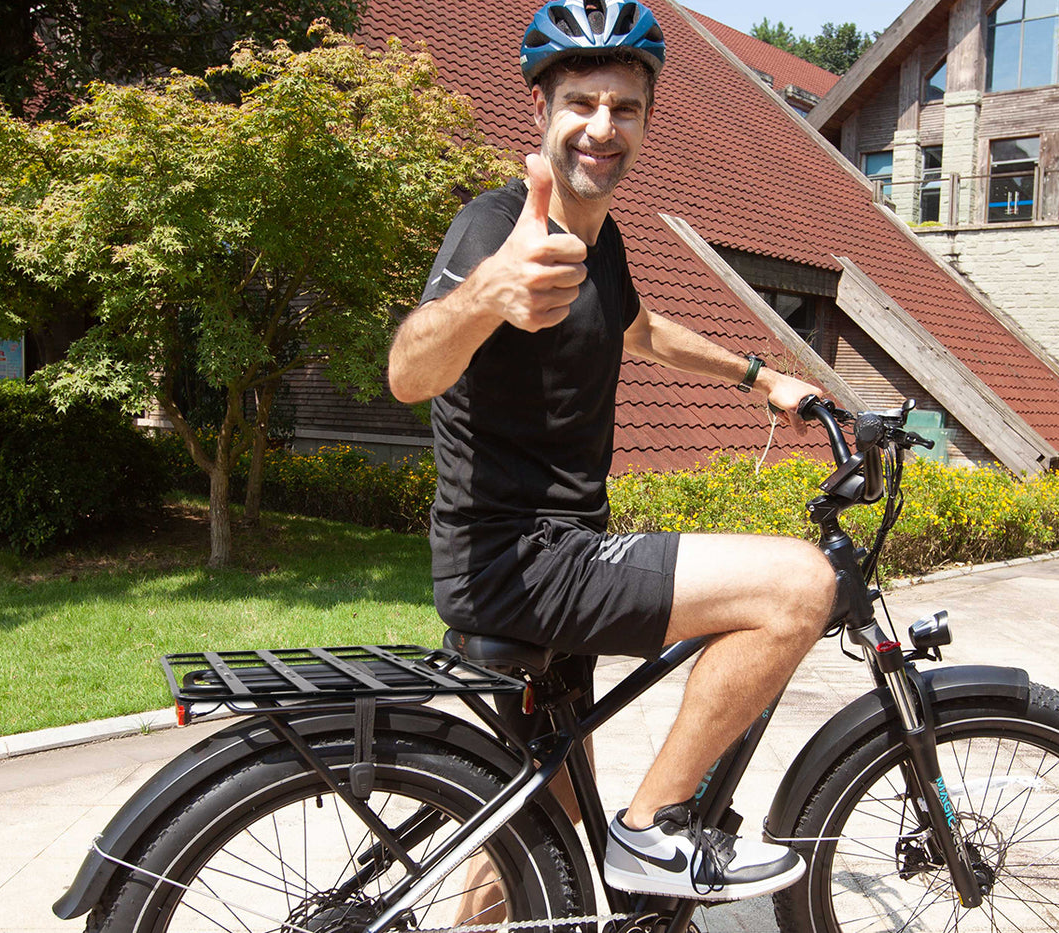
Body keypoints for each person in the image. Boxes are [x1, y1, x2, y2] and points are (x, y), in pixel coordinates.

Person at [387, 0, 837, 902]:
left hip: (549, 567)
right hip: (522, 562)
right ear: (541, 115)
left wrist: (763, 376)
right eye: (580, 104)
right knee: (799, 585)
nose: (601, 127)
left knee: (534, 837)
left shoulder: (605, 243)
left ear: (647, 120)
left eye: (623, 108)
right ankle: (654, 831)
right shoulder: (497, 229)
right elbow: (407, 369)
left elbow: (642, 330)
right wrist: (487, 297)